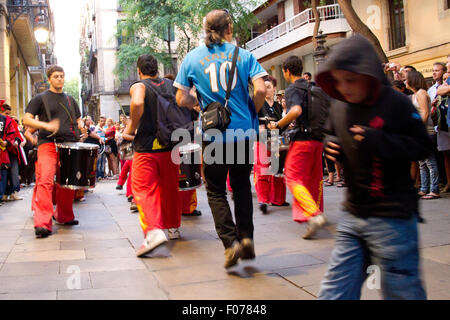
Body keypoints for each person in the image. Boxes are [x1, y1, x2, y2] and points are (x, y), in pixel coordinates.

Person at [316, 34, 429, 300]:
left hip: (393, 219)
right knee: (335, 290)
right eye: (338, 81)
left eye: (351, 79)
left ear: (368, 74)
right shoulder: (339, 107)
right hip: (353, 214)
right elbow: (331, 133)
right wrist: (331, 144)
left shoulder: (397, 104)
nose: (344, 87)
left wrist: (380, 141)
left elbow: (421, 146)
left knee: (401, 291)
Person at [174, 9, 267, 269]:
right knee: (240, 187)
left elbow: (181, 98)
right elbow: (260, 89)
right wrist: (251, 111)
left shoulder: (192, 58)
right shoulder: (244, 55)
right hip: (242, 133)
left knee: (215, 190)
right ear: (229, 28)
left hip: (213, 134)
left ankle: (230, 243)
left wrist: (199, 104)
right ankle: (246, 238)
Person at [125, 54, 182, 257]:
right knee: (169, 188)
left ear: (139, 70)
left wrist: (131, 128)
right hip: (170, 145)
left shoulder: (139, 85)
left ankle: (153, 231)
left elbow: (138, 103)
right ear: (156, 68)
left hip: (147, 147)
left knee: (143, 189)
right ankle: (173, 227)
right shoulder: (170, 84)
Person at [23, 65, 85, 238]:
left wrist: (81, 126)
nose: (59, 79)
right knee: (45, 181)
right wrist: (44, 125)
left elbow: (78, 120)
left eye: (62, 76)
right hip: (48, 143)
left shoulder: (71, 100)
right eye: (56, 76)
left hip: (69, 145)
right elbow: (26, 119)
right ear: (49, 78)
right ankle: (42, 223)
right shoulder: (40, 99)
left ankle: (64, 216)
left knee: (67, 182)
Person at [268, 55, 326, 239]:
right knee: (314, 180)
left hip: (302, 139)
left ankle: (313, 214)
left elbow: (295, 111)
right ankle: (314, 213)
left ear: (286, 70)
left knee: (292, 177)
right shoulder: (314, 86)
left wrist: (278, 125)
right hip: (318, 140)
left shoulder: (293, 89)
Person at [255, 75, 288, 214]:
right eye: (265, 87)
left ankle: (278, 199)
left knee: (278, 170)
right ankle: (263, 200)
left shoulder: (278, 106)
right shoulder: (258, 104)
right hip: (262, 139)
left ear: (274, 89)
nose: (267, 90)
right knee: (263, 170)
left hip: (276, 140)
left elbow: (281, 126)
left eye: (269, 87)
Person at [406, 70, 439, 199]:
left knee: (429, 162)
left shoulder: (421, 93)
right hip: (418, 132)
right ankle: (424, 188)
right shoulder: (414, 95)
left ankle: (434, 189)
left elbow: (425, 113)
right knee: (422, 163)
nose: (405, 81)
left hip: (425, 132)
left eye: (406, 78)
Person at [0, 100, 16, 206]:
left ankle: (0, 196)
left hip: (2, 152)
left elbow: (12, 134)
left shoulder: (6, 120)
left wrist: (7, 142)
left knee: (3, 174)